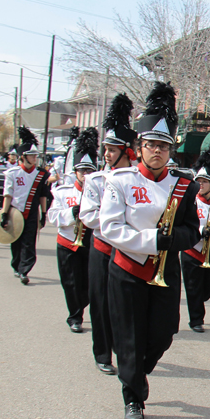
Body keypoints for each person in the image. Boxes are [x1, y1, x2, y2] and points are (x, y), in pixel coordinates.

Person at [100, 81, 201, 419]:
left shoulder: (182, 184)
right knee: (128, 338)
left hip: (165, 270)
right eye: (151, 145)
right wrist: (151, 240)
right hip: (127, 269)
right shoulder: (120, 181)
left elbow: (192, 230)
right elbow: (111, 228)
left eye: (163, 146)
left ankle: (136, 374)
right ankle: (133, 398)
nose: (157, 151)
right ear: (139, 147)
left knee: (163, 333)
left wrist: (171, 242)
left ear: (171, 150)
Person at [79, 92, 138, 375]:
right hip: (103, 249)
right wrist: (117, 224)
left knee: (126, 308)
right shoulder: (95, 179)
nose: (106, 155)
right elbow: (88, 216)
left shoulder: (138, 178)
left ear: (127, 152)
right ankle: (102, 352)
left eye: (112, 150)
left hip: (130, 252)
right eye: (105, 150)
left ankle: (126, 352)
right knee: (100, 304)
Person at [48, 128, 98, 333]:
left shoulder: (99, 193)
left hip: (90, 242)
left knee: (88, 284)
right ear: (75, 172)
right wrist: (71, 213)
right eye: (82, 171)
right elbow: (52, 216)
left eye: (89, 171)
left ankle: (81, 305)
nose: (86, 175)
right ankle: (74, 316)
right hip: (68, 243)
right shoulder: (62, 192)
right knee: (70, 282)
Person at [0, 127, 52, 285]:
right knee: (16, 242)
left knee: (29, 242)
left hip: (32, 213)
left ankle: (24, 270)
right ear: (23, 157)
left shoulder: (41, 174)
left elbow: (43, 195)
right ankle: (16, 265)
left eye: (36, 156)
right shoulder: (12, 173)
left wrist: (43, 214)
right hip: (15, 212)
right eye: (31, 156)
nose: (34, 159)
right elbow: (8, 195)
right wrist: (4, 213)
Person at [181, 150, 210, 333]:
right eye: (198, 181)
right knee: (193, 287)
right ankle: (196, 320)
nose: (200, 185)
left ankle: (200, 300)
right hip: (192, 251)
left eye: (204, 182)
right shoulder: (191, 202)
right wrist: (200, 231)